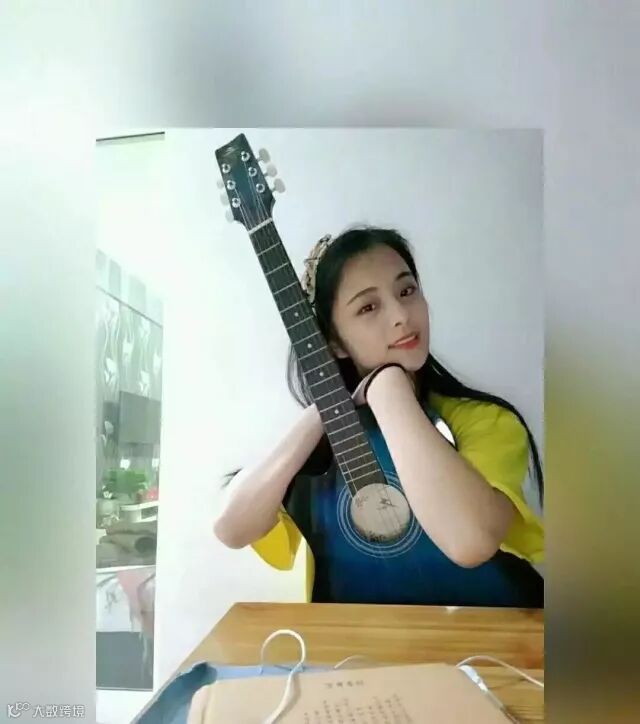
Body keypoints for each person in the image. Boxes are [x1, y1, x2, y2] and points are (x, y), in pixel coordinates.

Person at [214, 226, 544, 607]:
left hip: (491, 635)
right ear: (334, 342)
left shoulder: (487, 422)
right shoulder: (320, 446)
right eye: (368, 307)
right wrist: (320, 413)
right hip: (362, 639)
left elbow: (469, 541)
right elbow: (231, 529)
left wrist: (387, 388)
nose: (401, 315)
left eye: (407, 291)